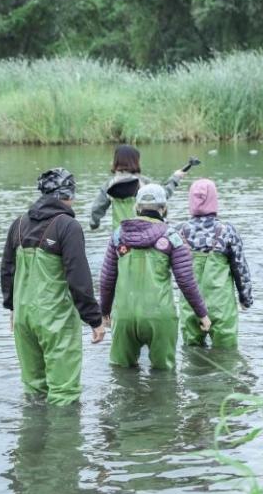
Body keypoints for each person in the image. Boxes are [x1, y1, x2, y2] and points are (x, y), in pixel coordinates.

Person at [0, 168, 105, 405]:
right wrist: (94, 319)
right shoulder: (68, 226)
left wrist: (12, 308)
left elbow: (7, 270)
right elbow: (79, 279)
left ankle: (31, 438)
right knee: (64, 394)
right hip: (55, 319)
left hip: (23, 318)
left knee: (33, 390)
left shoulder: (18, 224)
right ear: (67, 194)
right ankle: (63, 440)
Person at [99, 183, 211, 369]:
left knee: (121, 374)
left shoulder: (118, 236)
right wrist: (202, 314)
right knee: (164, 375)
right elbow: (186, 281)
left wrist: (104, 312)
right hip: (159, 317)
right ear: (164, 209)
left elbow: (107, 279)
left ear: (136, 207)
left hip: (124, 316)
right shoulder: (172, 237)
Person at [175, 179, 253, 348]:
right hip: (221, 306)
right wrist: (245, 299)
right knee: (227, 354)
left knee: (191, 354)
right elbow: (240, 268)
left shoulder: (179, 232)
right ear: (214, 200)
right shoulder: (227, 231)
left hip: (190, 306)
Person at [89, 144, 186, 230]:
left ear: (116, 161)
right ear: (135, 161)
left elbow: (97, 208)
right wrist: (175, 177)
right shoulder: (143, 182)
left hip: (120, 234)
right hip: (143, 232)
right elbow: (164, 194)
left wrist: (94, 224)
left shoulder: (109, 184)